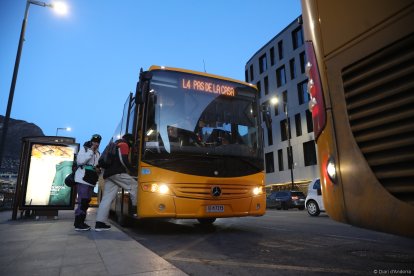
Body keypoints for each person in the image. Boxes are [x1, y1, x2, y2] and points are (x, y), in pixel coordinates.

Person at [95, 133, 137, 231]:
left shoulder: (115, 144)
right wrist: (132, 170)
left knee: (107, 198)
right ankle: (135, 209)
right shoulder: (124, 144)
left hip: (108, 175)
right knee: (135, 186)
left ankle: (99, 223)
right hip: (117, 173)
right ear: (130, 140)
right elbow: (123, 160)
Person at [73, 134, 102, 231]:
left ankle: (82, 221)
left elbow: (97, 165)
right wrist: (91, 151)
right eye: (94, 141)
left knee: (87, 201)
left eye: (98, 142)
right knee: (83, 201)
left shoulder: (98, 153)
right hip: (82, 178)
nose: (96, 143)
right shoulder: (85, 149)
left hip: (92, 179)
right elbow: (80, 161)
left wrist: (98, 169)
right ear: (91, 141)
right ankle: (78, 223)